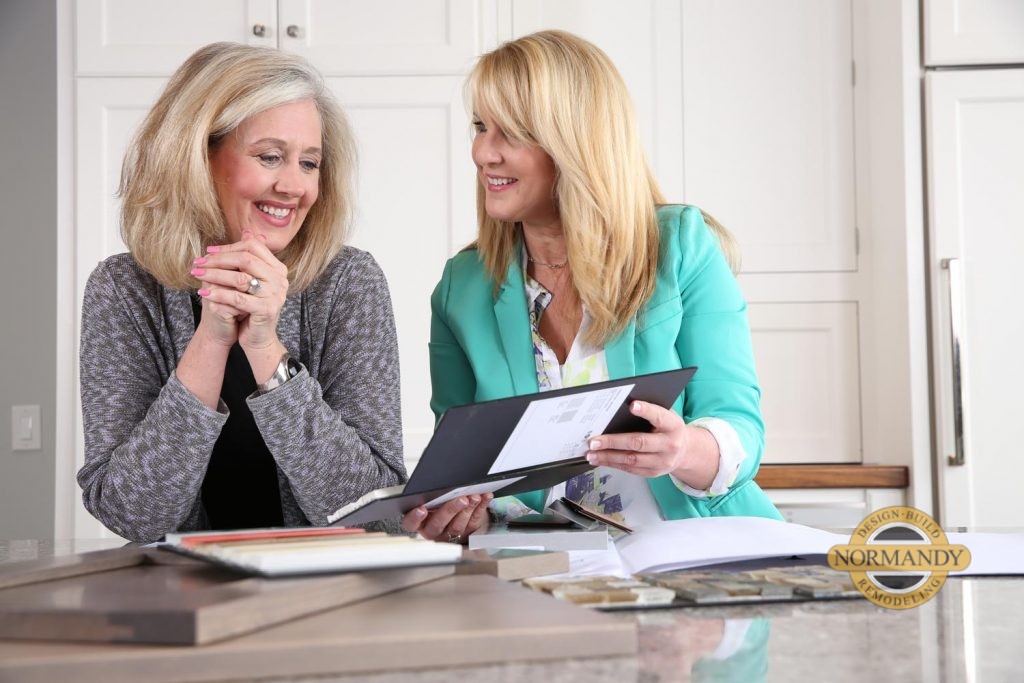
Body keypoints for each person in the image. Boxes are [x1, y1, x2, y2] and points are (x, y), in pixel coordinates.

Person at [403, 30, 781, 544]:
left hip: (700, 550)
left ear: (574, 141)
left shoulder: (681, 247)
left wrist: (684, 449)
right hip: (555, 571)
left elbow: (740, 426)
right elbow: (465, 469)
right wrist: (467, 508)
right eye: (479, 127)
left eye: (509, 132)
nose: (482, 153)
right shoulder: (461, 288)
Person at [78, 43, 405, 544]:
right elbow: (132, 516)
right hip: (178, 601)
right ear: (199, 159)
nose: (294, 186)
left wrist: (265, 348)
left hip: (327, 596)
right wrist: (210, 339)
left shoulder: (348, 283)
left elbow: (376, 512)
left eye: (309, 163)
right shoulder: (123, 291)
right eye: (271, 157)